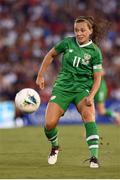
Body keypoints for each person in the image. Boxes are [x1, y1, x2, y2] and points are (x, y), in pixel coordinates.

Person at [36, 16, 104, 168]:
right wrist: (41, 75)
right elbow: (50, 55)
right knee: (49, 124)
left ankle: (94, 157)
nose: (79, 33)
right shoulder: (67, 42)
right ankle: (55, 147)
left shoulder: (95, 52)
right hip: (62, 88)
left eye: (82, 30)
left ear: (90, 31)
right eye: (76, 30)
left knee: (89, 116)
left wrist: (91, 96)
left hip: (82, 90)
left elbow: (97, 78)